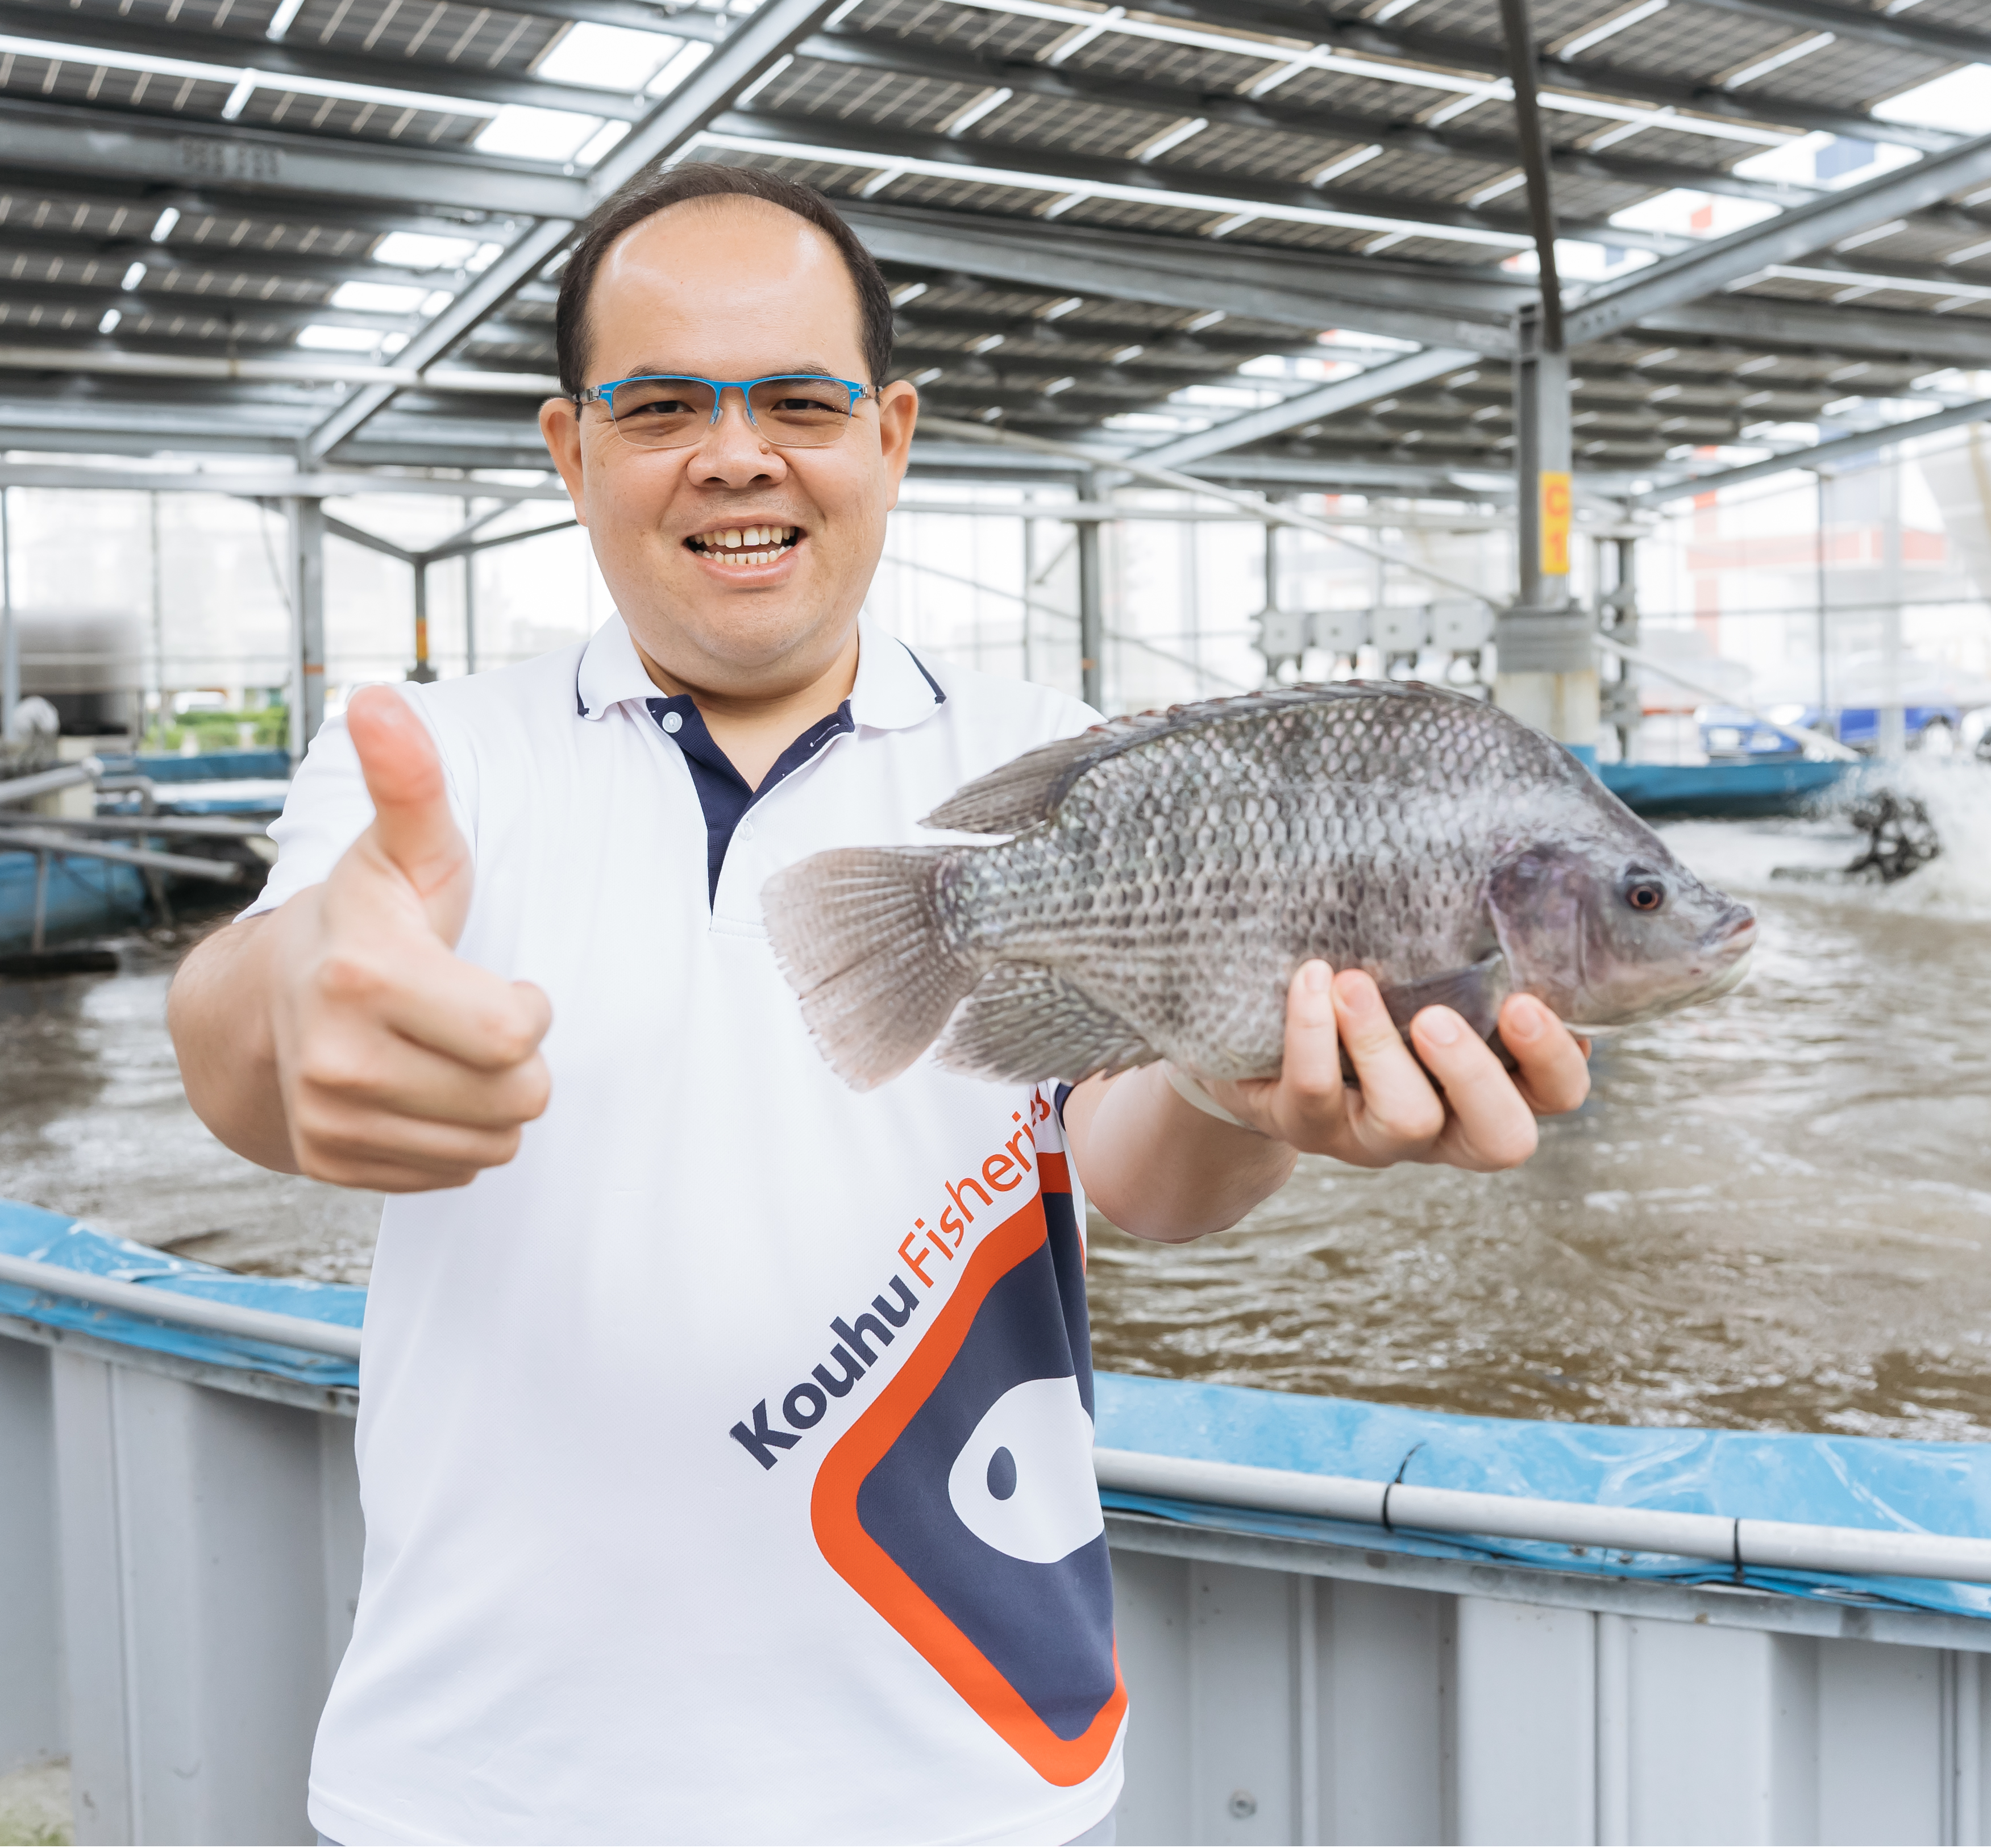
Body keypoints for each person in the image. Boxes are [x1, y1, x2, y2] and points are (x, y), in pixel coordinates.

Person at [167, 163, 1593, 1846]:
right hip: (480, 1777)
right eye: (660, 406)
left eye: (797, 400)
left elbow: (1136, 1167)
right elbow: (247, 1024)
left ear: (892, 433)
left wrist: (1247, 1092)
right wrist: (292, 1016)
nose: (737, 453)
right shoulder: (433, 753)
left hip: (965, 1762)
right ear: (569, 449)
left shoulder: (1051, 756)